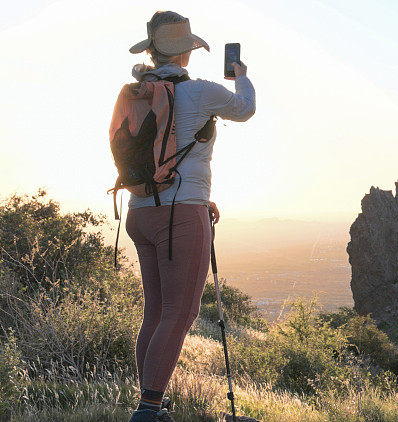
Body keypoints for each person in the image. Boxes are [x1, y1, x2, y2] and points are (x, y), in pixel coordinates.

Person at [123, 11, 255, 422]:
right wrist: (241, 76)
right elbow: (246, 109)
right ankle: (148, 411)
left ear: (151, 49)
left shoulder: (138, 90)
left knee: (157, 311)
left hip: (140, 212)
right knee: (181, 313)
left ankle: (148, 405)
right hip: (181, 214)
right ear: (187, 52)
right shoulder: (201, 92)